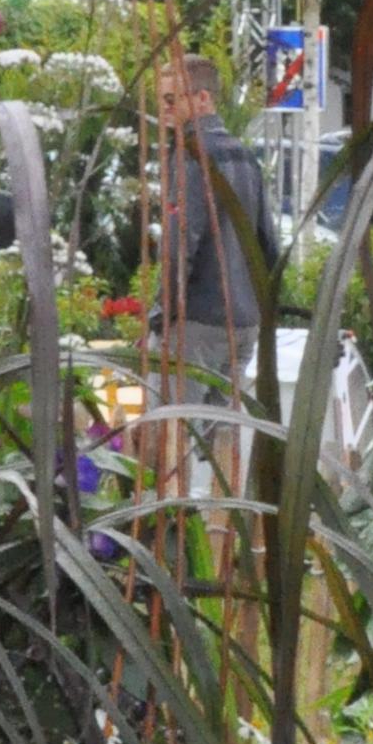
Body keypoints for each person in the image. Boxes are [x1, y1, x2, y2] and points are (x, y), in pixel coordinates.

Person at [153, 51, 269, 495]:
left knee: (169, 434)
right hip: (243, 321)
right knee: (224, 436)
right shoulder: (246, 158)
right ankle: (223, 527)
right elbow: (267, 241)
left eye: (171, 100)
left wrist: (163, 312)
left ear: (202, 99)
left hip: (197, 319)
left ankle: (172, 527)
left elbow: (180, 243)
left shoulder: (189, 157)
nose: (163, 110)